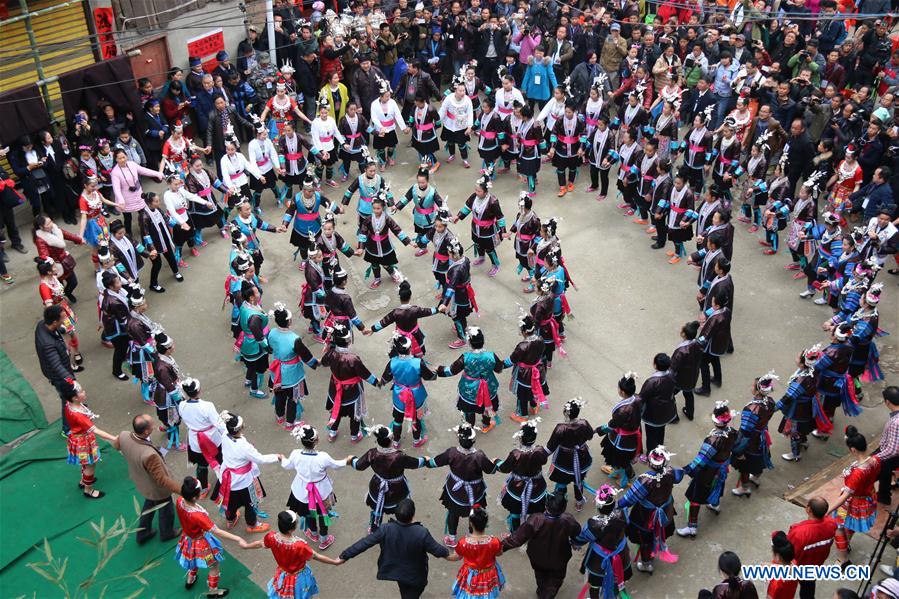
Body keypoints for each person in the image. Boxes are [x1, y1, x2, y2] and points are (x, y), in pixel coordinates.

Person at [339, 498, 453, 599]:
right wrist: (456, 553)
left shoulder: (385, 529)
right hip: (416, 574)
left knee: (404, 590)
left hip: (397, 572)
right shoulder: (421, 532)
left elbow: (364, 543)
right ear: (413, 515)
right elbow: (438, 550)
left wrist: (344, 556)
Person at [280, 424, 352, 550]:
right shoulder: (322, 457)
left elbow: (287, 465)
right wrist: (347, 460)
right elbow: (336, 465)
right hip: (322, 492)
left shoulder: (296, 454)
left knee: (309, 513)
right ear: (316, 440)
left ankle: (313, 533)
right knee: (323, 514)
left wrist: (282, 459)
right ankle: (324, 539)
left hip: (302, 492)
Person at [111, 414, 181, 544]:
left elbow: (116, 446)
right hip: (156, 488)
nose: (154, 425)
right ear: (146, 431)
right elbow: (162, 480)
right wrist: (182, 491)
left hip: (140, 480)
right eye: (152, 425)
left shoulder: (124, 435)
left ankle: (143, 533)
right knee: (166, 510)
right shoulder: (149, 455)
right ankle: (167, 532)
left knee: (148, 506)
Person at [174, 476, 247, 598]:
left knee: (192, 559)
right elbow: (217, 531)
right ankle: (213, 591)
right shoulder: (198, 516)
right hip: (202, 545)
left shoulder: (179, 501)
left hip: (187, 539)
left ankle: (190, 579)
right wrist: (238, 538)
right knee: (214, 565)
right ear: (194, 497)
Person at [243, 509, 343, 599]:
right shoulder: (299, 545)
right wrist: (334, 562)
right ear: (292, 529)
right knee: (303, 594)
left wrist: (246, 546)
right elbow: (317, 556)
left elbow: (259, 544)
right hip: (299, 577)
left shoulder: (271, 537)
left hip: (283, 573)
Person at [426, 423, 497, 547]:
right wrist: (495, 462)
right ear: (473, 440)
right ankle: (473, 537)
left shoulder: (451, 453)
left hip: (455, 493)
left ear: (459, 439)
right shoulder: (479, 456)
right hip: (475, 493)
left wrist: (426, 461)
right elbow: (491, 470)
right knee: (474, 514)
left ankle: (452, 538)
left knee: (453, 513)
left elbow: (434, 463)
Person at [500, 490, 580, 598]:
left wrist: (500, 546)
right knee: (555, 581)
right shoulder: (568, 520)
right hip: (559, 558)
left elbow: (517, 538)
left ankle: (541, 591)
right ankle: (547, 595)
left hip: (537, 557)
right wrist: (575, 542)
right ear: (563, 508)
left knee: (540, 576)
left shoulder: (536, 519)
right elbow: (577, 531)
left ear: (546, 506)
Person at [677, 401, 739, 539]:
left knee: (695, 497)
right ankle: (714, 504)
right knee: (718, 485)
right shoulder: (733, 432)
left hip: (707, 472)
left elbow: (700, 460)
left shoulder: (713, 440)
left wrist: (684, 470)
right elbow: (735, 448)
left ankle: (692, 527)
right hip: (722, 467)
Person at [215, 410, 282, 533]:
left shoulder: (225, 434)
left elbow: (219, 424)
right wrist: (276, 457)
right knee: (251, 503)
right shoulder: (244, 446)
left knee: (230, 502)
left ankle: (231, 519)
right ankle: (252, 524)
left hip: (227, 477)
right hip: (243, 482)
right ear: (240, 428)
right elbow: (260, 458)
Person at [438, 326, 505, 431]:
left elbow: (451, 370)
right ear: (483, 341)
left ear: (469, 342)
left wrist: (438, 370)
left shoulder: (465, 357)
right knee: (487, 406)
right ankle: (486, 425)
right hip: (488, 387)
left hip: (469, 390)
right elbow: (499, 369)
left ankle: (469, 429)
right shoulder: (491, 356)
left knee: (469, 411)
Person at [320, 322, 379, 442]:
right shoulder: (353, 359)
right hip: (351, 393)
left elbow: (323, 362)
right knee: (354, 416)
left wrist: (330, 347)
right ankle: (354, 436)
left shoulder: (331, 354)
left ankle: (332, 433)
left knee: (336, 412)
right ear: (348, 341)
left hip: (335, 390)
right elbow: (365, 374)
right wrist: (377, 382)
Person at [831, 425, 881, 566]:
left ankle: (843, 559)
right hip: (867, 498)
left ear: (853, 449)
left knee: (838, 526)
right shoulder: (875, 460)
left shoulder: (858, 472)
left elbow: (844, 497)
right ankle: (846, 545)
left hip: (851, 503)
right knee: (850, 525)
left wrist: (827, 510)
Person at [572, 484, 632, 599]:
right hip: (621, 553)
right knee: (616, 578)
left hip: (599, 560)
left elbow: (582, 538)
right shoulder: (623, 512)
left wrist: (574, 542)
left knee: (595, 583)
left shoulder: (594, 524)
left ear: (599, 507)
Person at [379, 333, 437, 447]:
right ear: (410, 348)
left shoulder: (392, 362)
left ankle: (395, 442)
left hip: (399, 395)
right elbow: (429, 376)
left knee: (397, 419)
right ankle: (416, 441)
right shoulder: (417, 363)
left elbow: (385, 378)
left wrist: (379, 382)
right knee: (416, 419)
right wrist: (436, 372)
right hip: (416, 394)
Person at [267, 303, 318, 430]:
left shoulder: (272, 333)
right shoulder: (294, 339)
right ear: (289, 321)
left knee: (279, 395)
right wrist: (316, 363)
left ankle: (279, 417)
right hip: (292, 374)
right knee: (292, 398)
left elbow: (269, 348)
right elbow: (307, 357)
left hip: (276, 370)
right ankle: (290, 422)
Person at [63, 380, 117, 499]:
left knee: (85, 463)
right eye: (81, 391)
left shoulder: (69, 404)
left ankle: (83, 481)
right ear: (75, 398)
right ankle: (88, 490)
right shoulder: (79, 416)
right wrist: (114, 438)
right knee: (90, 465)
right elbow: (96, 430)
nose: (84, 391)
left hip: (76, 437)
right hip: (83, 442)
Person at [731, 372, 779, 497]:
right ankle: (756, 477)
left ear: (757, 390)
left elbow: (746, 431)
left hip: (751, 441)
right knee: (761, 457)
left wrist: (739, 450)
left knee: (744, 465)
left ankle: (745, 487)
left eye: (752, 386)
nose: (751, 387)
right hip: (762, 436)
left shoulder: (752, 409)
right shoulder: (770, 401)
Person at [496, 418, 547, 531]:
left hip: (517, 489)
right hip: (537, 487)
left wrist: (496, 461)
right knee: (536, 511)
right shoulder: (540, 451)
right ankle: (534, 530)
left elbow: (504, 468)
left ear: (520, 438)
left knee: (515, 511)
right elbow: (544, 461)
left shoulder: (516, 454)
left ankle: (515, 534)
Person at [777, 346, 825, 463]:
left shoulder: (801, 380)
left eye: (798, 357)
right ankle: (803, 442)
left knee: (794, 431)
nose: (796, 358)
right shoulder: (814, 371)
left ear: (803, 364)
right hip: (808, 406)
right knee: (802, 427)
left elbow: (788, 397)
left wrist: (774, 407)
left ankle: (795, 454)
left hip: (797, 410)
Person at [178, 377, 225, 495]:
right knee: (221, 460)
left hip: (195, 441)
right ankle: (226, 480)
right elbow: (219, 423)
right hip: (212, 439)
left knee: (202, 465)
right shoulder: (207, 406)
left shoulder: (182, 405)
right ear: (199, 391)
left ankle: (203, 488)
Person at [455, 170, 506, 277]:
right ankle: (481, 257)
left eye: (479, 191)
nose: (476, 192)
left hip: (488, 230)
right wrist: (458, 217)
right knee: (477, 243)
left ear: (486, 191)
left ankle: (495, 264)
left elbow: (500, 217)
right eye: (476, 190)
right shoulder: (474, 196)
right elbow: (467, 208)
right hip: (475, 227)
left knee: (489, 248)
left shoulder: (493, 201)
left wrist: (503, 231)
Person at [35, 304, 78, 433]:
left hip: (63, 370)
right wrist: (71, 380)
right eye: (63, 319)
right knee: (67, 400)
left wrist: (64, 330)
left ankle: (76, 404)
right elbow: (57, 366)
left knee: (71, 395)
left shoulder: (43, 325)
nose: (65, 320)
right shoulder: (48, 344)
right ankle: (67, 429)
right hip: (59, 376)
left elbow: (57, 330)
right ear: (55, 322)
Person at [787, 497, 838, 599]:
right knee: (808, 590)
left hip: (798, 568)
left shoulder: (799, 532)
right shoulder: (832, 524)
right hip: (816, 566)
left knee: (787, 588)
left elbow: (789, 553)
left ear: (808, 509)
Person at [598, 374, 642, 486]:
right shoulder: (637, 398)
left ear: (622, 392)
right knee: (622, 459)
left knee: (622, 460)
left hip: (622, 439)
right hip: (631, 435)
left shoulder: (623, 410)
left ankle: (630, 477)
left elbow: (612, 425)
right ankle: (617, 470)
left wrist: (599, 430)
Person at [504, 315, 549, 419]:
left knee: (522, 396)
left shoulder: (522, 346)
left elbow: (512, 360)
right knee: (535, 389)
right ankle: (533, 406)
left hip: (524, 374)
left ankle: (522, 415)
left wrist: (500, 365)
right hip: (538, 369)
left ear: (524, 331)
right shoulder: (541, 339)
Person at [639, 354, 677, 454]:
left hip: (653, 413)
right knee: (661, 431)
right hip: (666, 410)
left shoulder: (652, 382)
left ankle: (651, 454)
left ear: (655, 365)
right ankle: (660, 450)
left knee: (651, 435)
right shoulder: (671, 374)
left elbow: (642, 397)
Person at [873, 386, 899, 507]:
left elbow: (893, 450)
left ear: (887, 402)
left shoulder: (895, 422)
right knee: (885, 473)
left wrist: (876, 457)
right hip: (890, 453)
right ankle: (884, 497)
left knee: (869, 474)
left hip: (890, 454)